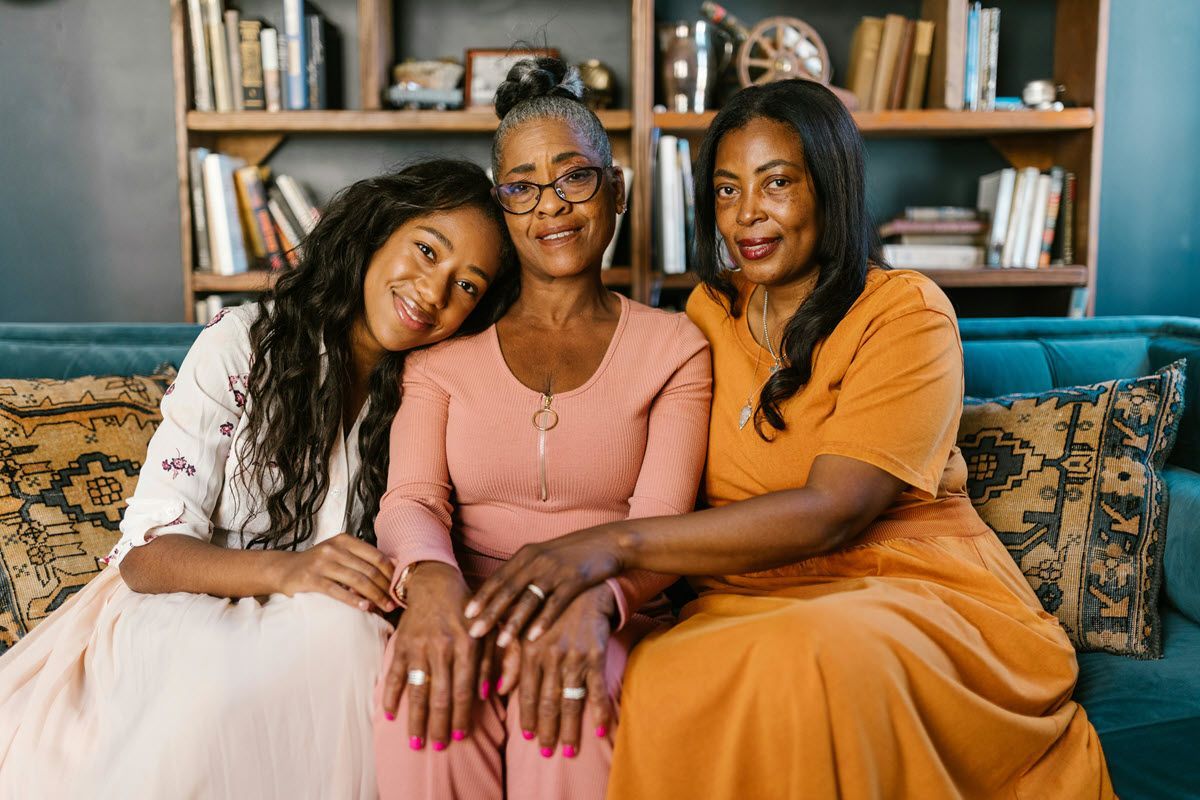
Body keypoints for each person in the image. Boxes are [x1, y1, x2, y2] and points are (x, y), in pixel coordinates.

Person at [461, 79, 1116, 799]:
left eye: (778, 183)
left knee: (807, 655)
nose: (749, 215)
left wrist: (612, 546)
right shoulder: (706, 315)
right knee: (653, 673)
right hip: (740, 596)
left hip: (902, 587)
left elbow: (836, 508)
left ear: (829, 185)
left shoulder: (904, 311)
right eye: (727, 189)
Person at [0, 160, 517, 799]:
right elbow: (146, 557)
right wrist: (291, 572)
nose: (434, 291)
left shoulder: (434, 390)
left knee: (348, 637)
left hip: (322, 624)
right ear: (378, 230)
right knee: (320, 642)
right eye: (426, 249)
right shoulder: (244, 345)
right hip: (180, 612)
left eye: (467, 285)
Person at [371, 57, 711, 800]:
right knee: (423, 717)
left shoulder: (675, 346)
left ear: (615, 190)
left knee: (564, 717)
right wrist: (429, 586)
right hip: (470, 603)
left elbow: (662, 523)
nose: (550, 206)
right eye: (522, 188)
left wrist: (595, 605)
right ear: (502, 208)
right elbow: (411, 500)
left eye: (574, 177)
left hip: (603, 611)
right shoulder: (440, 356)